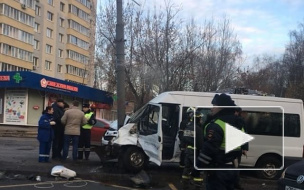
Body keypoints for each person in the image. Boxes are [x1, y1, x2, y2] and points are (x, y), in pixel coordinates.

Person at [197, 93, 243, 190]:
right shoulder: (238, 123)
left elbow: (209, 149)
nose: (212, 108)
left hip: (218, 171)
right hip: (233, 169)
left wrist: (197, 168)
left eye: (214, 105)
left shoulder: (217, 124)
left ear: (221, 107)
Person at [181, 107, 204, 189]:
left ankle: (185, 184)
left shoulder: (188, 127)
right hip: (195, 151)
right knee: (197, 168)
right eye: (201, 118)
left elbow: (183, 138)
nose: (201, 120)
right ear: (198, 118)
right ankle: (198, 186)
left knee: (187, 168)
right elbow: (200, 142)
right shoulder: (198, 129)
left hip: (188, 150)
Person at [234, 107, 248, 190]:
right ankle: (235, 184)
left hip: (232, 149)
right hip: (237, 150)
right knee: (235, 167)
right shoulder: (241, 121)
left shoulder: (236, 121)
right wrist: (244, 148)